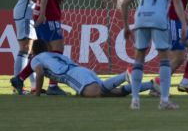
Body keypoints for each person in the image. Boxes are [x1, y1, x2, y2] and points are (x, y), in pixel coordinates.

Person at [121, 0, 188, 110]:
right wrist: (184, 23)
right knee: (164, 59)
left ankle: (135, 100)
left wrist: (125, 26)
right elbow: (177, 1)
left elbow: (124, 3)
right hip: (158, 18)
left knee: (139, 58)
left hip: (141, 18)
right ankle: (164, 100)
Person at [14, 0, 69, 96]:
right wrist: (43, 12)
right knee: (56, 49)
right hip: (47, 13)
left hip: (40, 11)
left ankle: (21, 78)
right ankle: (52, 86)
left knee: (44, 51)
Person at [14, 39, 160, 97]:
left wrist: (37, 93)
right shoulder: (52, 54)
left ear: (34, 51)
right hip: (82, 71)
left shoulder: (36, 59)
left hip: (73, 76)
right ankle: (153, 84)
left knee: (97, 94)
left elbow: (39, 73)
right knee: (116, 93)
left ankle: (125, 75)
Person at [12, 0, 50, 94]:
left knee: (32, 50)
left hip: (28, 12)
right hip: (26, 11)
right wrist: (41, 5)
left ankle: (34, 86)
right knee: (25, 49)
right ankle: (18, 85)